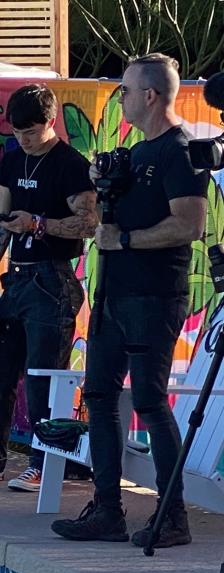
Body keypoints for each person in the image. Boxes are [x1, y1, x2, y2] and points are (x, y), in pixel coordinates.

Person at [51, 54, 208, 548]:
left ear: (150, 96)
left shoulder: (180, 151)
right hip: (115, 295)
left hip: (153, 294)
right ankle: (108, 511)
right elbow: (109, 224)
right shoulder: (138, 153)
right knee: (98, 395)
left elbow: (189, 224)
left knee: (149, 401)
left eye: (124, 90)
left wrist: (126, 240)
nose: (119, 97)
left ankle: (172, 516)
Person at [0, 85, 96, 492]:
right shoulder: (12, 159)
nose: (24, 138)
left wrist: (39, 224)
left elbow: (89, 223)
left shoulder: (71, 165)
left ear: (51, 121)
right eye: (18, 130)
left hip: (52, 276)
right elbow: (0, 221)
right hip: (16, 276)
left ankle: (46, 461)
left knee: (42, 376)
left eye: (32, 131)